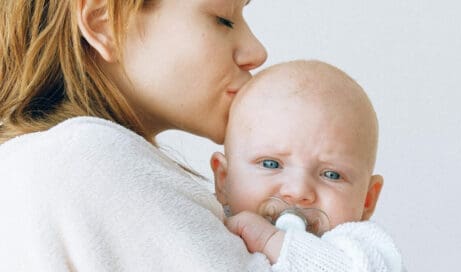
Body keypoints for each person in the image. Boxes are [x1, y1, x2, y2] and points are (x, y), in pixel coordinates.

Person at [0, 1, 361, 271]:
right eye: (223, 20)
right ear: (103, 23)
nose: (256, 52)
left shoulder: (33, 159)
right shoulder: (89, 159)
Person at [210, 60, 405, 271]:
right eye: (270, 163)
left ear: (367, 200)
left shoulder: (362, 248)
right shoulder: (207, 229)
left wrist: (271, 242)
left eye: (331, 175)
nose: (298, 191)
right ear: (224, 179)